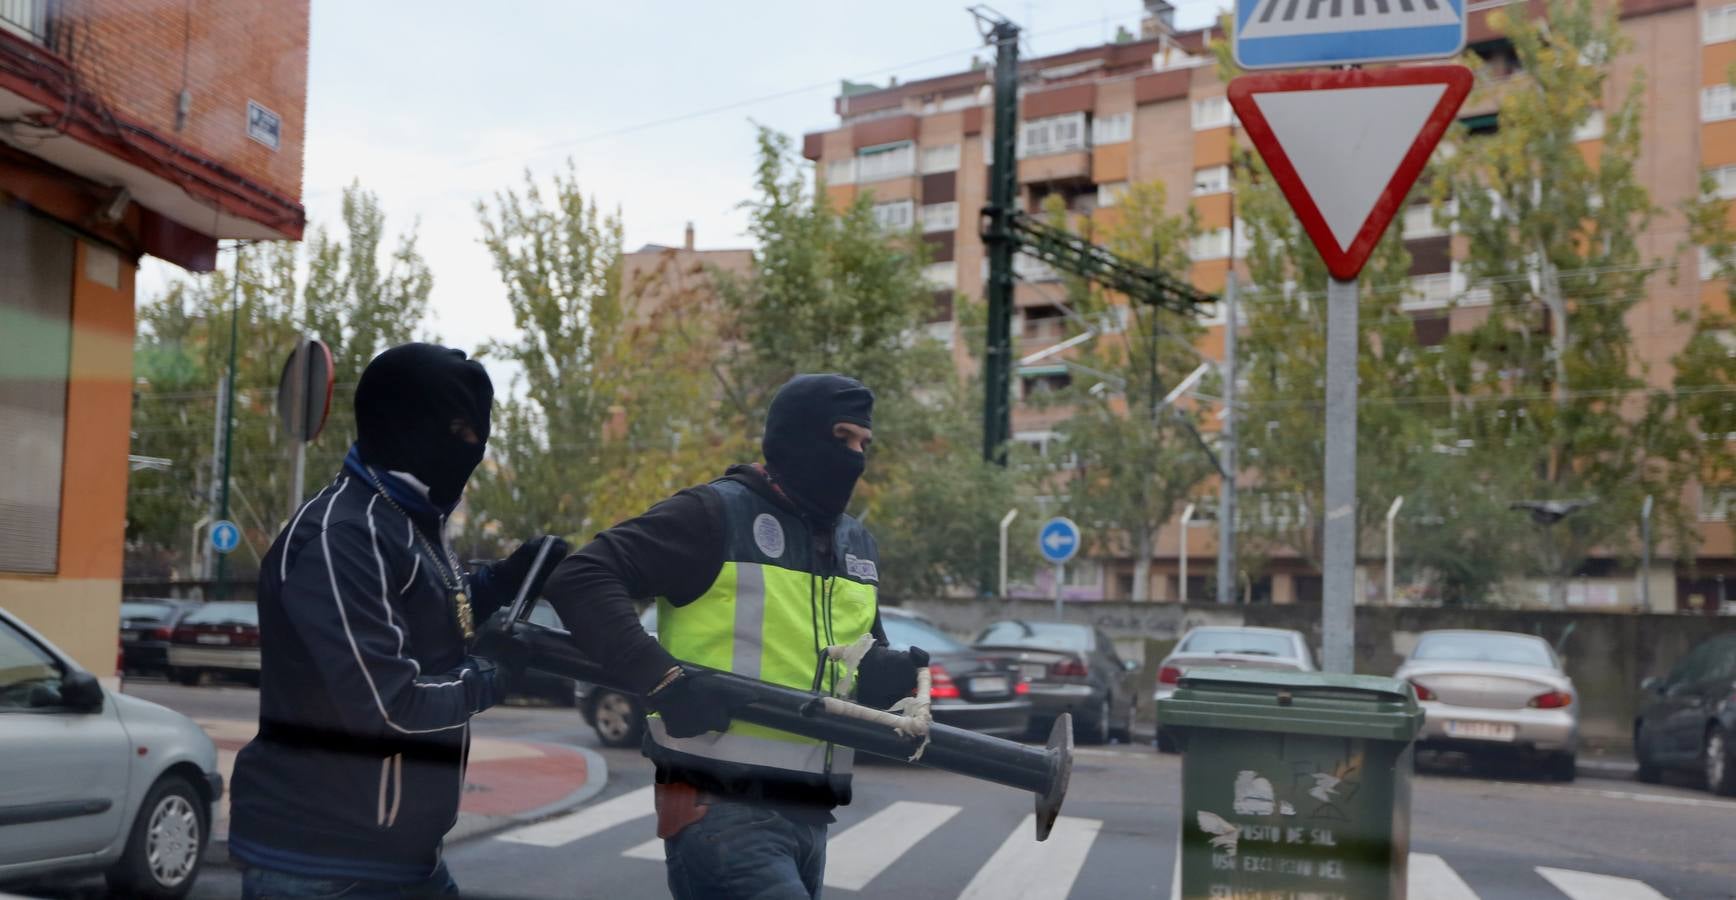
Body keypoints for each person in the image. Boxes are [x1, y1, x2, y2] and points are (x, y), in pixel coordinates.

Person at [543, 373, 927, 900]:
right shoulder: (713, 515)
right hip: (717, 808)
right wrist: (663, 681)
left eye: (864, 443)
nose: (855, 457)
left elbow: (851, 654)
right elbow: (581, 578)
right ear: (794, 435)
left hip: (812, 814)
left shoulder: (856, 541)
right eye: (841, 438)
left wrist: (883, 677)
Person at [228, 343, 568, 899]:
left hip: (402, 858)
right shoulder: (342, 537)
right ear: (404, 422)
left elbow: (434, 619)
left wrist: (507, 578)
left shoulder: (410, 521)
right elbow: (390, 705)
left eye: (478, 432)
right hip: (320, 862)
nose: (472, 447)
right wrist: (493, 675)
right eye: (458, 429)